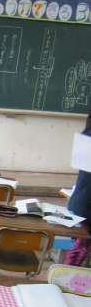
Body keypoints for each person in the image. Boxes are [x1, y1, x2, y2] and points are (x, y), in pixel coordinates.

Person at [65, 109, 91, 266]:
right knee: (80, 250)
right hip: (86, 205)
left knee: (79, 249)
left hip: (81, 203)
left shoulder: (87, 134)